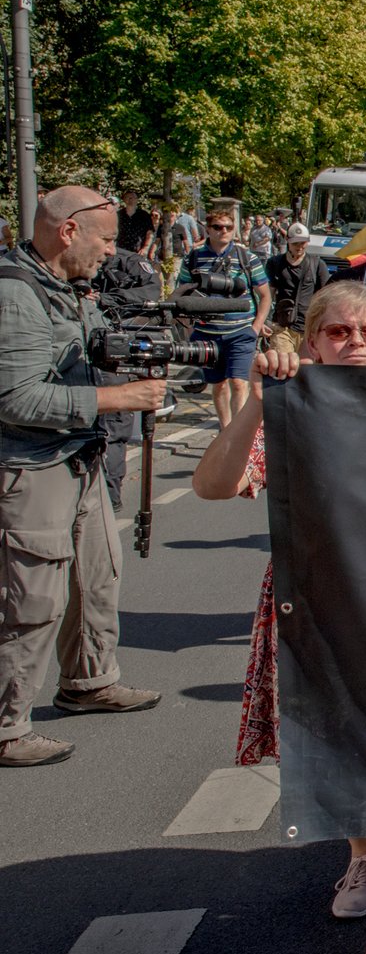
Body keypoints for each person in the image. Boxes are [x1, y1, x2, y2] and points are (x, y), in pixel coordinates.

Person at [191, 281, 366, 954]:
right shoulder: (290, 410)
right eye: (340, 331)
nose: (357, 343)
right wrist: (261, 399)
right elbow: (213, 484)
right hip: (312, 608)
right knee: (339, 749)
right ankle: (358, 854)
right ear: (312, 338)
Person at [0, 188, 166, 767]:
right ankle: (6, 725)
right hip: (30, 466)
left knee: (96, 579)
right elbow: (16, 398)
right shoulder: (15, 295)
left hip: (79, 458)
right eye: (104, 238)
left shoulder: (66, 289)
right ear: (68, 232)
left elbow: (92, 350)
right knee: (30, 599)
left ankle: (88, 682)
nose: (110, 250)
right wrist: (116, 396)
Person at [177, 209, 272, 428]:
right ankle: (225, 428)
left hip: (240, 332)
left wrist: (255, 328)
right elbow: (181, 295)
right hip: (207, 333)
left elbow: (265, 295)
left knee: (239, 383)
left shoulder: (247, 257)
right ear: (208, 229)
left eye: (229, 227)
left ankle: (236, 432)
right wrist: (190, 329)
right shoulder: (193, 258)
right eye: (218, 227)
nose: (224, 231)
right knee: (218, 385)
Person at [90, 243, 165, 511]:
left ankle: (109, 498)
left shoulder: (131, 263)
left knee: (113, 426)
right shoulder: (73, 263)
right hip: (82, 356)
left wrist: (105, 299)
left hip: (117, 354)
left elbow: (151, 291)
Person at [264, 223, 328, 355]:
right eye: (295, 243)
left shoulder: (317, 264)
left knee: (306, 369)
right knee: (283, 367)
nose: (299, 247)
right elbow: (267, 295)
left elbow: (326, 296)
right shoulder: (274, 263)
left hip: (309, 327)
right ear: (288, 241)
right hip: (282, 325)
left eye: (303, 243)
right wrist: (266, 320)